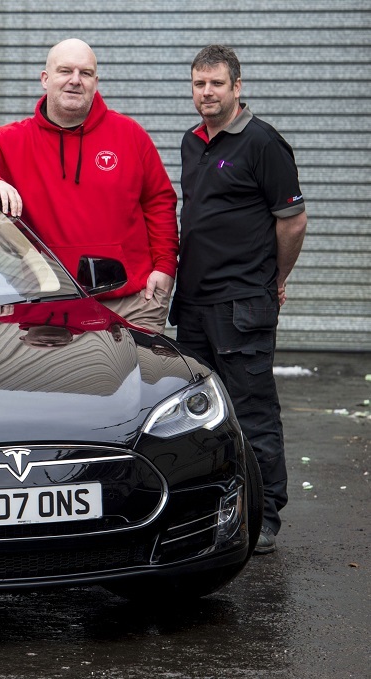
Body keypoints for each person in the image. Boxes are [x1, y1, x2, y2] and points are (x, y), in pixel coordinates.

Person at [171, 45, 307, 555]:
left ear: (237, 87)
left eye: (217, 84)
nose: (207, 93)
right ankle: (211, 506)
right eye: (199, 84)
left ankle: (267, 513)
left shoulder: (263, 143)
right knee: (197, 413)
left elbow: (291, 219)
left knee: (252, 410)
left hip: (242, 304)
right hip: (195, 304)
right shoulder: (191, 142)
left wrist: (276, 277)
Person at [0, 38, 179, 333]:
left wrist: (165, 266)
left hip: (132, 304)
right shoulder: (15, 140)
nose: (75, 81)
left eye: (86, 73)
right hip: (49, 311)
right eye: (65, 71)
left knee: (141, 381)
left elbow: (159, 201)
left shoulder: (129, 135)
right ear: (46, 79)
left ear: (96, 81)